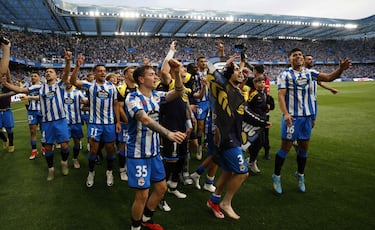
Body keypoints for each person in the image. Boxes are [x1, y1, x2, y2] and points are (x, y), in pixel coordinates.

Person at [272, 48, 352, 194]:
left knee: (303, 149)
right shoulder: (285, 75)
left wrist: (340, 69)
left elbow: (328, 78)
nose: (298, 57)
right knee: (285, 148)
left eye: (300, 55)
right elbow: (281, 95)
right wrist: (285, 114)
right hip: (293, 118)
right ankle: (276, 176)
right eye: (294, 55)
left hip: (307, 117)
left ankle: (300, 176)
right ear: (289, 59)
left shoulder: (310, 73)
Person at [125, 61, 186, 230]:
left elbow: (179, 92)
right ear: (141, 79)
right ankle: (135, 227)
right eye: (151, 74)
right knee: (142, 195)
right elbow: (144, 119)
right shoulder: (132, 97)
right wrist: (168, 134)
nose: (156, 76)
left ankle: (145, 219)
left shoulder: (156, 95)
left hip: (153, 152)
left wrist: (176, 75)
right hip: (137, 153)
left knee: (161, 188)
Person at [2, 48, 73, 181]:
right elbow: (22, 89)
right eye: (46, 72)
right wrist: (7, 84)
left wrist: (68, 61)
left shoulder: (60, 85)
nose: (47, 73)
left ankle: (64, 163)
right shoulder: (39, 88)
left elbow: (66, 74)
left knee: (64, 146)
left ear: (56, 76)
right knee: (48, 147)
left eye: (50, 71)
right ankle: (51, 169)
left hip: (61, 120)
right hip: (47, 122)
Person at [205, 55, 253, 220]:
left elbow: (242, 115)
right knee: (242, 173)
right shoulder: (224, 88)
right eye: (238, 71)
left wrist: (261, 122)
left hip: (233, 136)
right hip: (226, 138)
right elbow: (210, 68)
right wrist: (227, 66)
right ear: (228, 74)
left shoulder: (237, 92)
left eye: (241, 70)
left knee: (227, 171)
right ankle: (226, 203)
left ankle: (214, 201)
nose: (241, 72)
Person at [69, 54, 121, 188]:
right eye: (100, 71)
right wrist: (78, 66)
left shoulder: (112, 87)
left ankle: (109, 172)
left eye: (104, 71)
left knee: (110, 150)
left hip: (109, 124)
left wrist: (118, 122)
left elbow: (116, 104)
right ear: (94, 73)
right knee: (93, 150)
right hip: (94, 124)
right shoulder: (89, 86)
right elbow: (74, 81)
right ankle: (91, 172)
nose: (103, 73)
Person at [117, 65, 137, 181]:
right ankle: (122, 170)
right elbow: (119, 107)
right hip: (127, 123)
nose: (133, 74)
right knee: (124, 147)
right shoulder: (121, 89)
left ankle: (131, 167)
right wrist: (127, 120)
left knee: (135, 146)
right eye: (131, 72)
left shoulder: (139, 87)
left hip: (138, 122)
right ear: (125, 75)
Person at [20, 72, 43, 159]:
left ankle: (44, 147)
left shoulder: (42, 87)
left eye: (35, 76)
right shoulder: (29, 87)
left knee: (43, 130)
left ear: (39, 78)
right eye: (32, 76)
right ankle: (34, 150)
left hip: (41, 111)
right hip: (31, 111)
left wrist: (28, 97)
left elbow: (41, 98)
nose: (33, 77)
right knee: (32, 131)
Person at [0, 69, 15, 153]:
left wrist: (6, 67)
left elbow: (9, 79)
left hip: (6, 110)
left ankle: (11, 144)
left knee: (9, 129)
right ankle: (5, 139)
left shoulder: (7, 86)